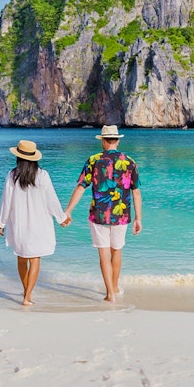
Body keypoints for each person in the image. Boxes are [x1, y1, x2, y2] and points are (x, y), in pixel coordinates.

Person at [63, 125, 142, 302]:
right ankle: (114, 287)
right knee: (117, 251)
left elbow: (81, 186)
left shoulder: (93, 160)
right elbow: (136, 191)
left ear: (103, 141)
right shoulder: (130, 161)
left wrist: (68, 210)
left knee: (103, 253)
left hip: (98, 214)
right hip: (121, 215)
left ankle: (110, 294)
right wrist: (138, 218)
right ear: (118, 140)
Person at [0, 139, 71, 306]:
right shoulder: (42, 175)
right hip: (39, 224)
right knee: (35, 259)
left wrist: (2, 223)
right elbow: (51, 200)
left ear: (18, 158)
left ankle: (26, 292)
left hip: (19, 224)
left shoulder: (12, 175)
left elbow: (5, 202)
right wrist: (61, 218)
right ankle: (27, 296)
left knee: (21, 258)